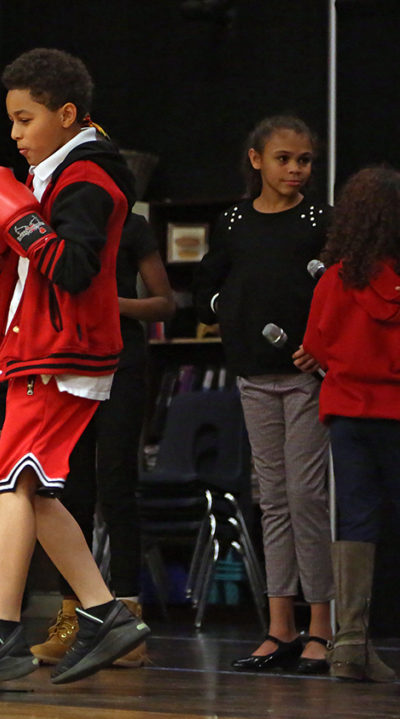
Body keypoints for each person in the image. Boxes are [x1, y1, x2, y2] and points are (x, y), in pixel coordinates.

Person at [0, 47, 150, 690]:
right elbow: (46, 265)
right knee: (32, 486)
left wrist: (15, 221)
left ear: (66, 113)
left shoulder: (87, 177)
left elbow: (75, 268)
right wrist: (0, 250)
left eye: (25, 120)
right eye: (12, 121)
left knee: (11, 482)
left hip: (60, 349)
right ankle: (105, 613)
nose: (15, 134)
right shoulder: (59, 175)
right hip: (44, 343)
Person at [194, 115, 333, 674]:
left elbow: (338, 291)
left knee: (307, 498)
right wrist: (227, 314)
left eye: (304, 161)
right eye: (284, 159)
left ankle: (322, 626)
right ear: (256, 160)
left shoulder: (322, 221)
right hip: (253, 374)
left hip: (306, 377)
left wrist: (320, 347)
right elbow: (209, 282)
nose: (295, 169)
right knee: (272, 498)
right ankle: (280, 627)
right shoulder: (231, 222)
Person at [30, 212, 174, 668]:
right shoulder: (48, 222)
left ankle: (128, 621)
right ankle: (72, 617)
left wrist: (113, 305)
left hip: (121, 364)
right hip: (65, 362)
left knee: (116, 487)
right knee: (68, 492)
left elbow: (165, 303)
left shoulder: (130, 225)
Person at [301, 165, 400, 682]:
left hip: (345, 412)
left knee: (356, 520)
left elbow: (315, 345)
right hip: (395, 412)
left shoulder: (335, 278)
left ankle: (349, 645)